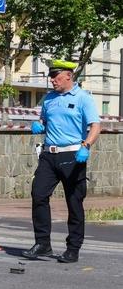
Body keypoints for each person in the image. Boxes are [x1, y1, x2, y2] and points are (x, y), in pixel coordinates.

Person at [22, 59, 101, 263]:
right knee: (38, 194)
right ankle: (43, 244)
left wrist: (86, 147)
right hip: (49, 154)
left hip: (73, 155)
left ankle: (73, 248)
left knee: (74, 202)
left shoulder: (83, 98)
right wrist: (38, 125)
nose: (52, 80)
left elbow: (95, 127)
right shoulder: (49, 99)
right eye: (51, 77)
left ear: (68, 75)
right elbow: (44, 121)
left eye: (56, 76)